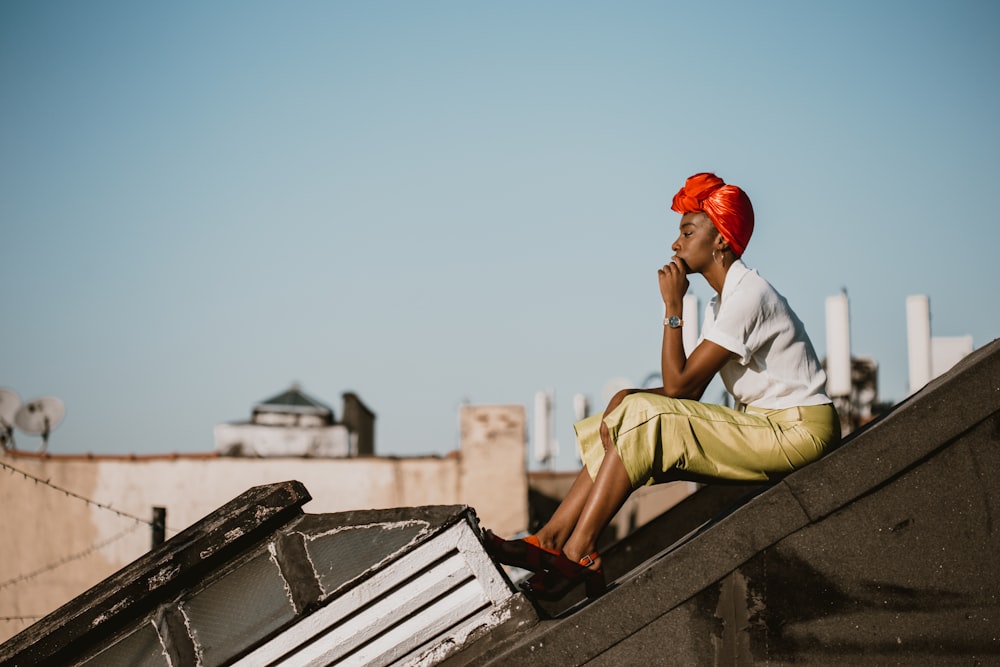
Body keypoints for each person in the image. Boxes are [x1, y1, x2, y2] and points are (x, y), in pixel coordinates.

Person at [485, 172, 840, 601]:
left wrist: (673, 307)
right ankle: (554, 539)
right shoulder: (723, 300)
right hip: (771, 426)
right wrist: (625, 401)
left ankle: (577, 550)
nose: (675, 244)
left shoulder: (749, 296)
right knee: (625, 411)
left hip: (798, 430)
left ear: (721, 241)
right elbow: (688, 392)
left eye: (688, 232)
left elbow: (679, 389)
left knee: (639, 414)